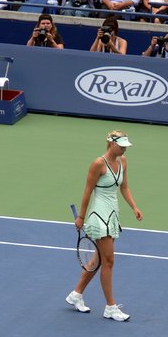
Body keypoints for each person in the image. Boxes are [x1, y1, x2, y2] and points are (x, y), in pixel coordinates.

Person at [66, 130, 143, 322]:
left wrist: (134, 207)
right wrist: (81, 217)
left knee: (98, 260)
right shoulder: (98, 164)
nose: (125, 148)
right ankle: (110, 307)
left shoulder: (123, 162)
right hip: (99, 216)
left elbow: (124, 187)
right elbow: (87, 191)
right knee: (108, 261)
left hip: (113, 214)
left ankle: (76, 294)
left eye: (126, 145)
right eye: (121, 145)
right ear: (111, 144)